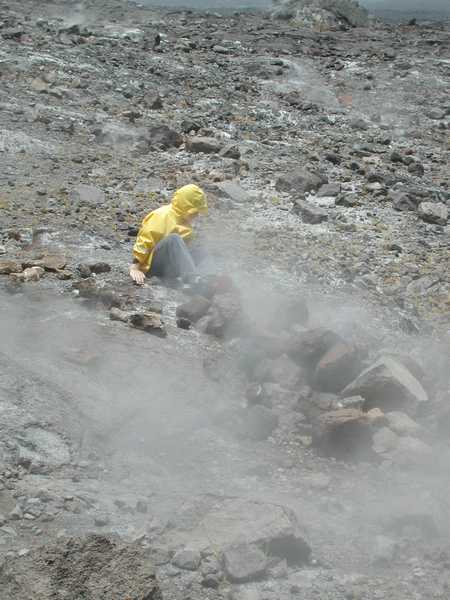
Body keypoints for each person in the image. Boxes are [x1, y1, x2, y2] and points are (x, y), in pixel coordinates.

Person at [129, 184, 208, 285]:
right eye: (194, 212)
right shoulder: (161, 216)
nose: (196, 215)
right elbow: (145, 242)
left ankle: (197, 278)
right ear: (184, 206)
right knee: (173, 239)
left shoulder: (184, 221)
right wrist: (135, 267)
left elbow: (182, 251)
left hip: (169, 267)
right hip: (152, 267)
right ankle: (193, 280)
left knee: (203, 250)